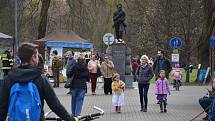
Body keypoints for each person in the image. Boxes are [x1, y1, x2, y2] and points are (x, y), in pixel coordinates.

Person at [0, 43, 77, 121]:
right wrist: (70, 119)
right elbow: (55, 105)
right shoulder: (40, 78)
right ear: (33, 58)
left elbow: (2, 107)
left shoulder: (9, 78)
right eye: (37, 56)